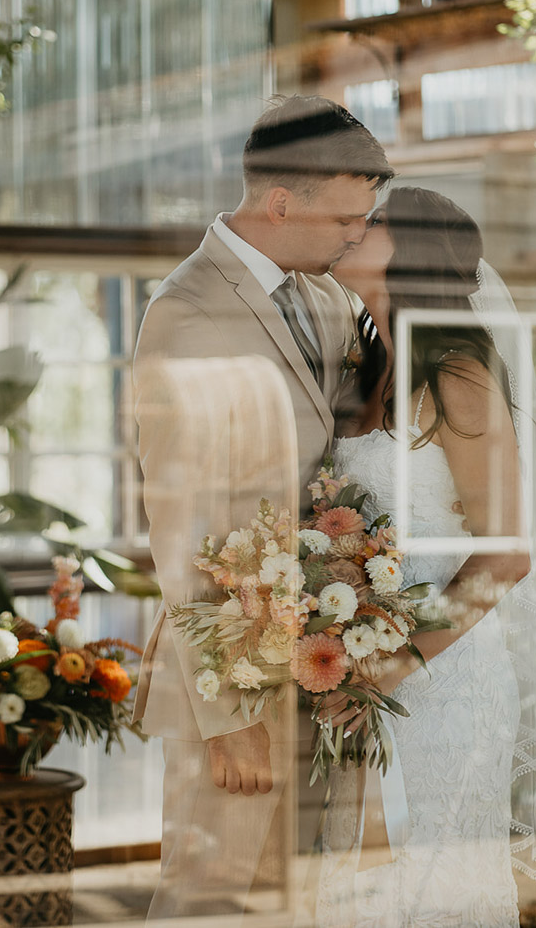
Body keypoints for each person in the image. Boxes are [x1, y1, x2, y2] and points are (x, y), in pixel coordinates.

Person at [318, 185, 536, 928]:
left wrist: (388, 663)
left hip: (443, 679)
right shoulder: (365, 368)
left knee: (432, 886)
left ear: (416, 248)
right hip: (364, 668)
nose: (356, 227)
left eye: (376, 219)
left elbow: (506, 554)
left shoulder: (458, 374)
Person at [132, 95, 393, 919]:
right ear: (283, 202)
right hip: (233, 673)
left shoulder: (323, 298)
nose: (358, 234)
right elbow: (179, 524)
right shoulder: (185, 312)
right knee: (211, 900)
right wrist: (227, 714)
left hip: (322, 660)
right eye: (348, 217)